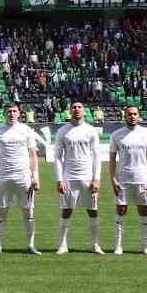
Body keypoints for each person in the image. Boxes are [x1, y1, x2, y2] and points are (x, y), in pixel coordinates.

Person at [0, 102, 42, 255]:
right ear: (4, 113)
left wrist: (35, 177)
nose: (11, 114)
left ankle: (30, 245)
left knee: (28, 212)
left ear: (19, 113)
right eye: (9, 111)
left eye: (14, 111)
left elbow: (33, 155)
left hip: (23, 178)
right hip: (3, 177)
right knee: (1, 212)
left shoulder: (26, 130)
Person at [52, 100, 104, 255]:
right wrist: (59, 179)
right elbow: (57, 157)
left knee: (93, 211)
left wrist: (97, 178)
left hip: (88, 178)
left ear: (84, 111)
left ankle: (95, 244)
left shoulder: (91, 130)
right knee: (66, 211)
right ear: (69, 110)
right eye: (74, 107)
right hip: (69, 177)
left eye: (79, 107)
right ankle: (62, 245)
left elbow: (96, 156)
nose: (76, 109)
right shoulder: (63, 131)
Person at [108, 104, 147, 256]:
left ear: (139, 115)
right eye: (129, 114)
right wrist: (113, 179)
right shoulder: (116, 135)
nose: (132, 116)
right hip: (123, 178)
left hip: (142, 178)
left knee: (144, 211)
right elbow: (112, 159)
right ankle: (118, 245)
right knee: (121, 210)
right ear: (125, 116)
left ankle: (145, 246)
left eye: (135, 113)